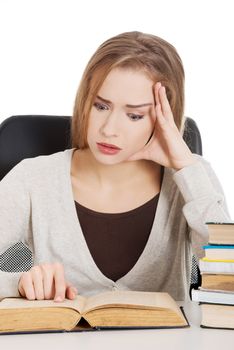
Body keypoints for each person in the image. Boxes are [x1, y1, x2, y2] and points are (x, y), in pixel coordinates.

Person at [0, 31, 231, 302]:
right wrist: (19, 283)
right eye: (100, 106)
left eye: (134, 115)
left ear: (164, 115)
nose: (109, 129)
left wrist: (186, 169)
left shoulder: (192, 177)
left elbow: (229, 274)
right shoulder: (33, 179)